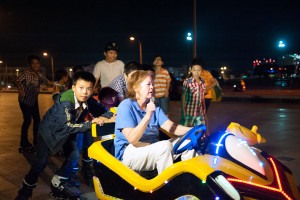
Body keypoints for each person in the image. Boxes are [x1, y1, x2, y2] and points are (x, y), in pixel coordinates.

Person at [15, 71, 111, 200]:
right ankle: (25, 191)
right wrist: (91, 123)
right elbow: (67, 126)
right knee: (40, 163)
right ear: (73, 87)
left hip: (68, 132)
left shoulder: (88, 100)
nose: (85, 92)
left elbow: (103, 111)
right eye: (81, 88)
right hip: (49, 132)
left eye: (89, 89)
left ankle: (58, 184)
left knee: (74, 156)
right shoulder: (66, 101)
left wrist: (108, 116)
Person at [114, 70, 208, 174]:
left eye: (152, 84)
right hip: (129, 153)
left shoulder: (154, 105)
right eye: (148, 84)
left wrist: (192, 130)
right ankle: (167, 186)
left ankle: (190, 179)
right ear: (136, 88)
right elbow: (131, 138)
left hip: (151, 147)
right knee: (165, 146)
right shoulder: (126, 106)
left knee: (188, 142)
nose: (152, 87)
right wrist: (148, 115)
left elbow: (170, 126)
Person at [13, 55, 53, 151]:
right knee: (27, 120)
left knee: (37, 120)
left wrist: (59, 83)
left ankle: (36, 140)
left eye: (37, 63)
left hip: (34, 101)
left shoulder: (39, 75)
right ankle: (24, 142)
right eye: (33, 63)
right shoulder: (26, 74)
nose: (36, 65)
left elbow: (48, 82)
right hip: (24, 101)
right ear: (30, 64)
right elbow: (16, 81)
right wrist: (20, 89)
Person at [180, 58, 209, 135]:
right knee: (187, 132)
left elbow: (202, 96)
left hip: (200, 112)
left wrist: (204, 108)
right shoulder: (187, 82)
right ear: (191, 70)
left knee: (200, 131)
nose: (197, 72)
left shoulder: (202, 82)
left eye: (199, 70)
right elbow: (183, 96)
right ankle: (188, 146)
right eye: (194, 70)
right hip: (189, 112)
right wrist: (184, 110)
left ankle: (198, 145)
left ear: (202, 71)